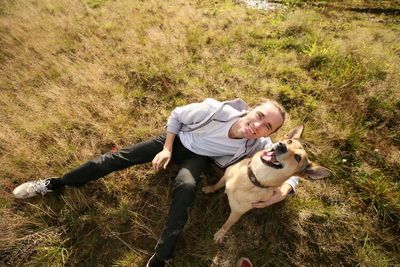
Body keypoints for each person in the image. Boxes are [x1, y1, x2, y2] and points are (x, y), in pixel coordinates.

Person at [13, 98, 299, 267]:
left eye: (268, 126)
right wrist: (166, 148)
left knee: (186, 189)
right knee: (116, 159)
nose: (259, 126)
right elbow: (176, 115)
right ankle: (55, 183)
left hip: (196, 159)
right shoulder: (215, 110)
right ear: (250, 109)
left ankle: (161, 258)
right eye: (259, 116)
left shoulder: (259, 144)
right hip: (174, 141)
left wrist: (285, 189)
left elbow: (293, 164)